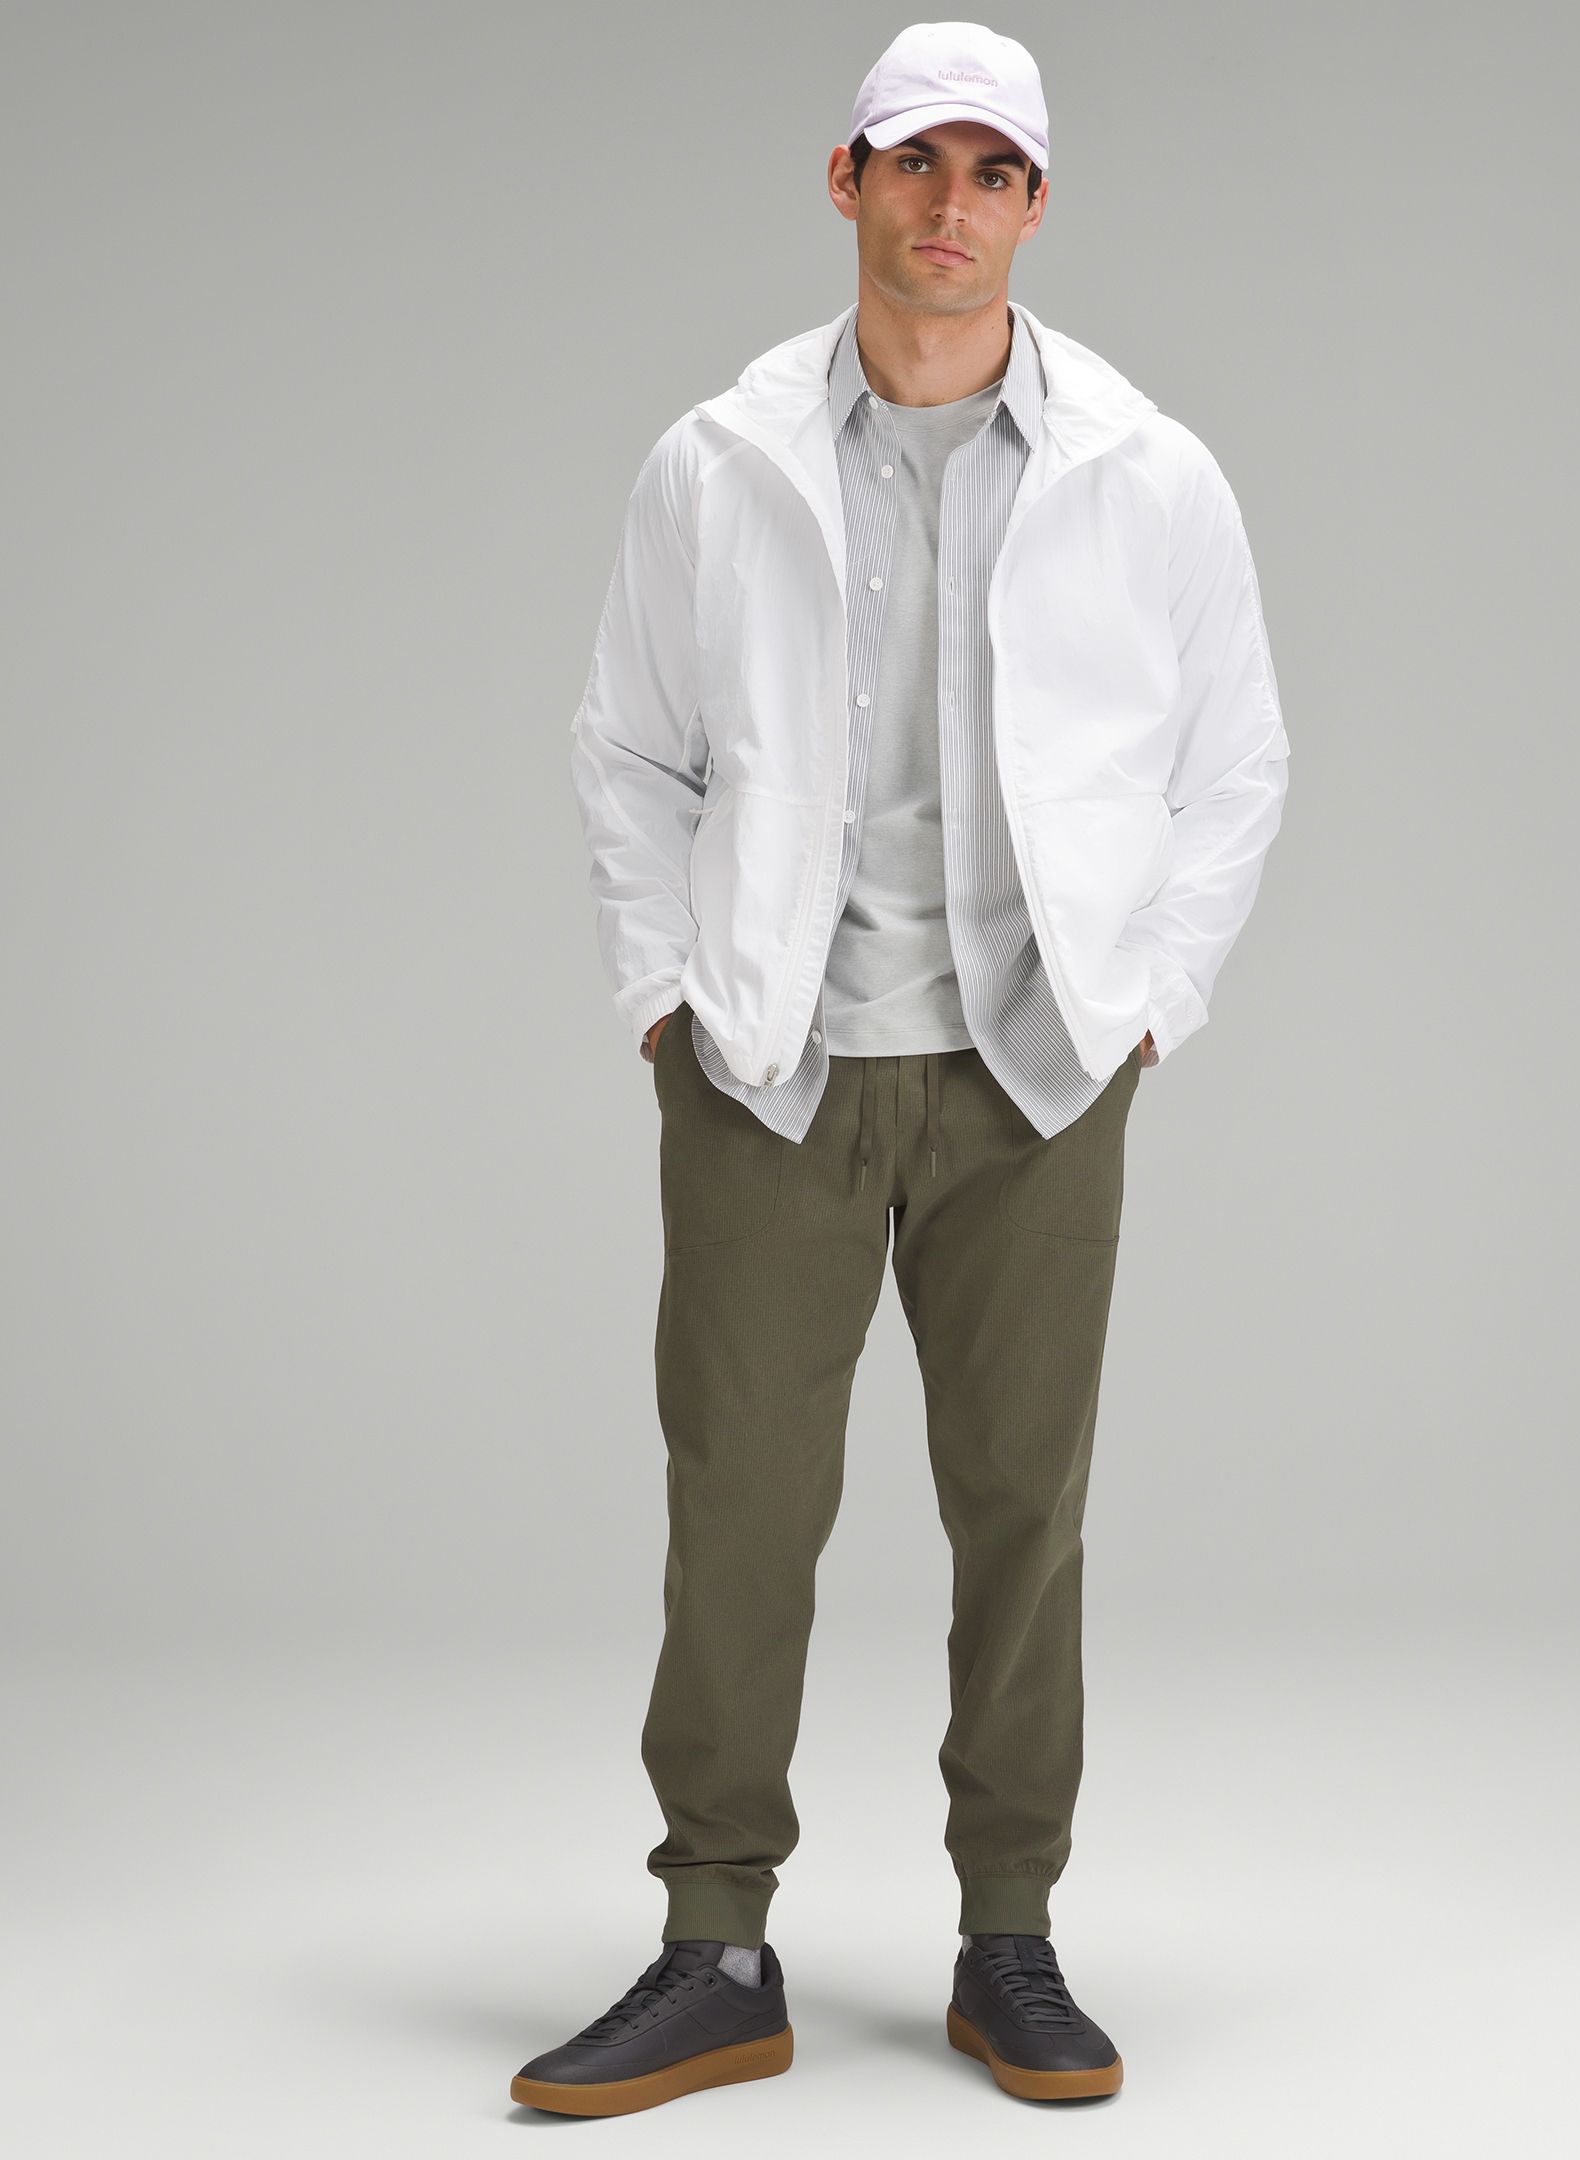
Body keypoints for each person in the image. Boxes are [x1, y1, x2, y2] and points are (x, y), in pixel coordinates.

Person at [514, 17, 1291, 2118]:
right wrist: (666, 998)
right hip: (772, 1066)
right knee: (739, 1504)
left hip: (1035, 1071)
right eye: (915, 161)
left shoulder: (1147, 472)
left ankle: (1008, 1937)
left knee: (1025, 1511)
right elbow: (627, 750)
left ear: (1037, 207)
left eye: (993, 171)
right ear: (845, 177)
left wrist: (1148, 1002)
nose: (952, 205)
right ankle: (716, 1947)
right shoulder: (718, 462)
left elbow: (1236, 763)